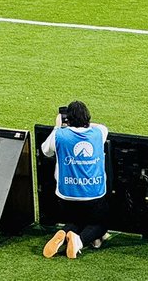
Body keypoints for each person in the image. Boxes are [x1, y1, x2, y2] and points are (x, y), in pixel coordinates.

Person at [41, 100, 108, 259]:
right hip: (94, 195)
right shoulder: (99, 132)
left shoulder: (59, 134)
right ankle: (79, 241)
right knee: (101, 224)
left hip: (66, 197)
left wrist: (58, 126)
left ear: (68, 120)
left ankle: (64, 233)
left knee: (78, 221)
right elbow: (99, 126)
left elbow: (45, 151)